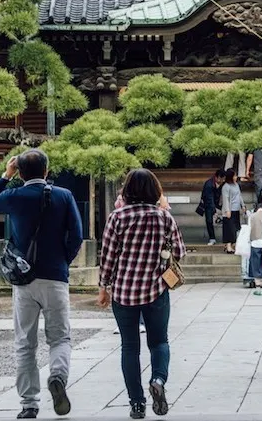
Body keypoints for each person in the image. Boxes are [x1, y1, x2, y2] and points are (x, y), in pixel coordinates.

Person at [0, 149, 84, 420]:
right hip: (55, 276)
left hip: (24, 279)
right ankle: (58, 377)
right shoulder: (64, 196)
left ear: (21, 173)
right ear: (47, 171)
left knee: (25, 342)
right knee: (60, 337)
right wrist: (64, 260)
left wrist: (6, 175)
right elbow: (77, 234)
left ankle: (29, 404)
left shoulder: (15, 196)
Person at [98, 168, 185, 420]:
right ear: (155, 191)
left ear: (127, 190)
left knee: (129, 347)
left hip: (124, 292)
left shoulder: (117, 217)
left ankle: (137, 404)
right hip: (156, 290)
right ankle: (158, 379)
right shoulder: (164, 217)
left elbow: (108, 257)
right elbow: (179, 252)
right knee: (159, 342)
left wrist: (104, 287)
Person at [198, 169, 225, 245]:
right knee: (209, 220)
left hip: (218, 202)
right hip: (208, 203)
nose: (222, 180)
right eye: (220, 179)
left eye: (223, 179)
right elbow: (209, 199)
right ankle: (212, 238)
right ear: (216, 177)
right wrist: (214, 211)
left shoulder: (223, 183)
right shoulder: (209, 184)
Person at [220, 168, 243, 254]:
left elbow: (239, 195)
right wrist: (227, 210)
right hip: (229, 210)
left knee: (236, 228)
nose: (236, 177)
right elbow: (225, 199)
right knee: (229, 228)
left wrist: (242, 205)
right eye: (234, 175)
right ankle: (228, 245)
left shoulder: (236, 185)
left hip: (236, 209)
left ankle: (232, 245)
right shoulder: (226, 186)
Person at [248, 201, 262, 294]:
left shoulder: (252, 216)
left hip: (255, 242)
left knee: (256, 262)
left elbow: (249, 229)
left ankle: (257, 281)